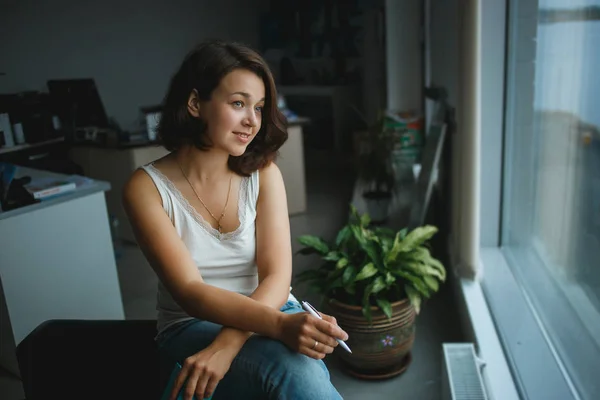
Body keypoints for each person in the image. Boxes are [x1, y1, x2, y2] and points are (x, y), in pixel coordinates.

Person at [122, 40, 346, 400]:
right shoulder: (146, 188)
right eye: (238, 103)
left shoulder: (264, 173)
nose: (252, 121)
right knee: (295, 372)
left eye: (259, 107)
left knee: (297, 372)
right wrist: (278, 328)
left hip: (273, 306)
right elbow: (190, 292)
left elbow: (277, 276)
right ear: (195, 104)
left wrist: (229, 343)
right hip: (191, 325)